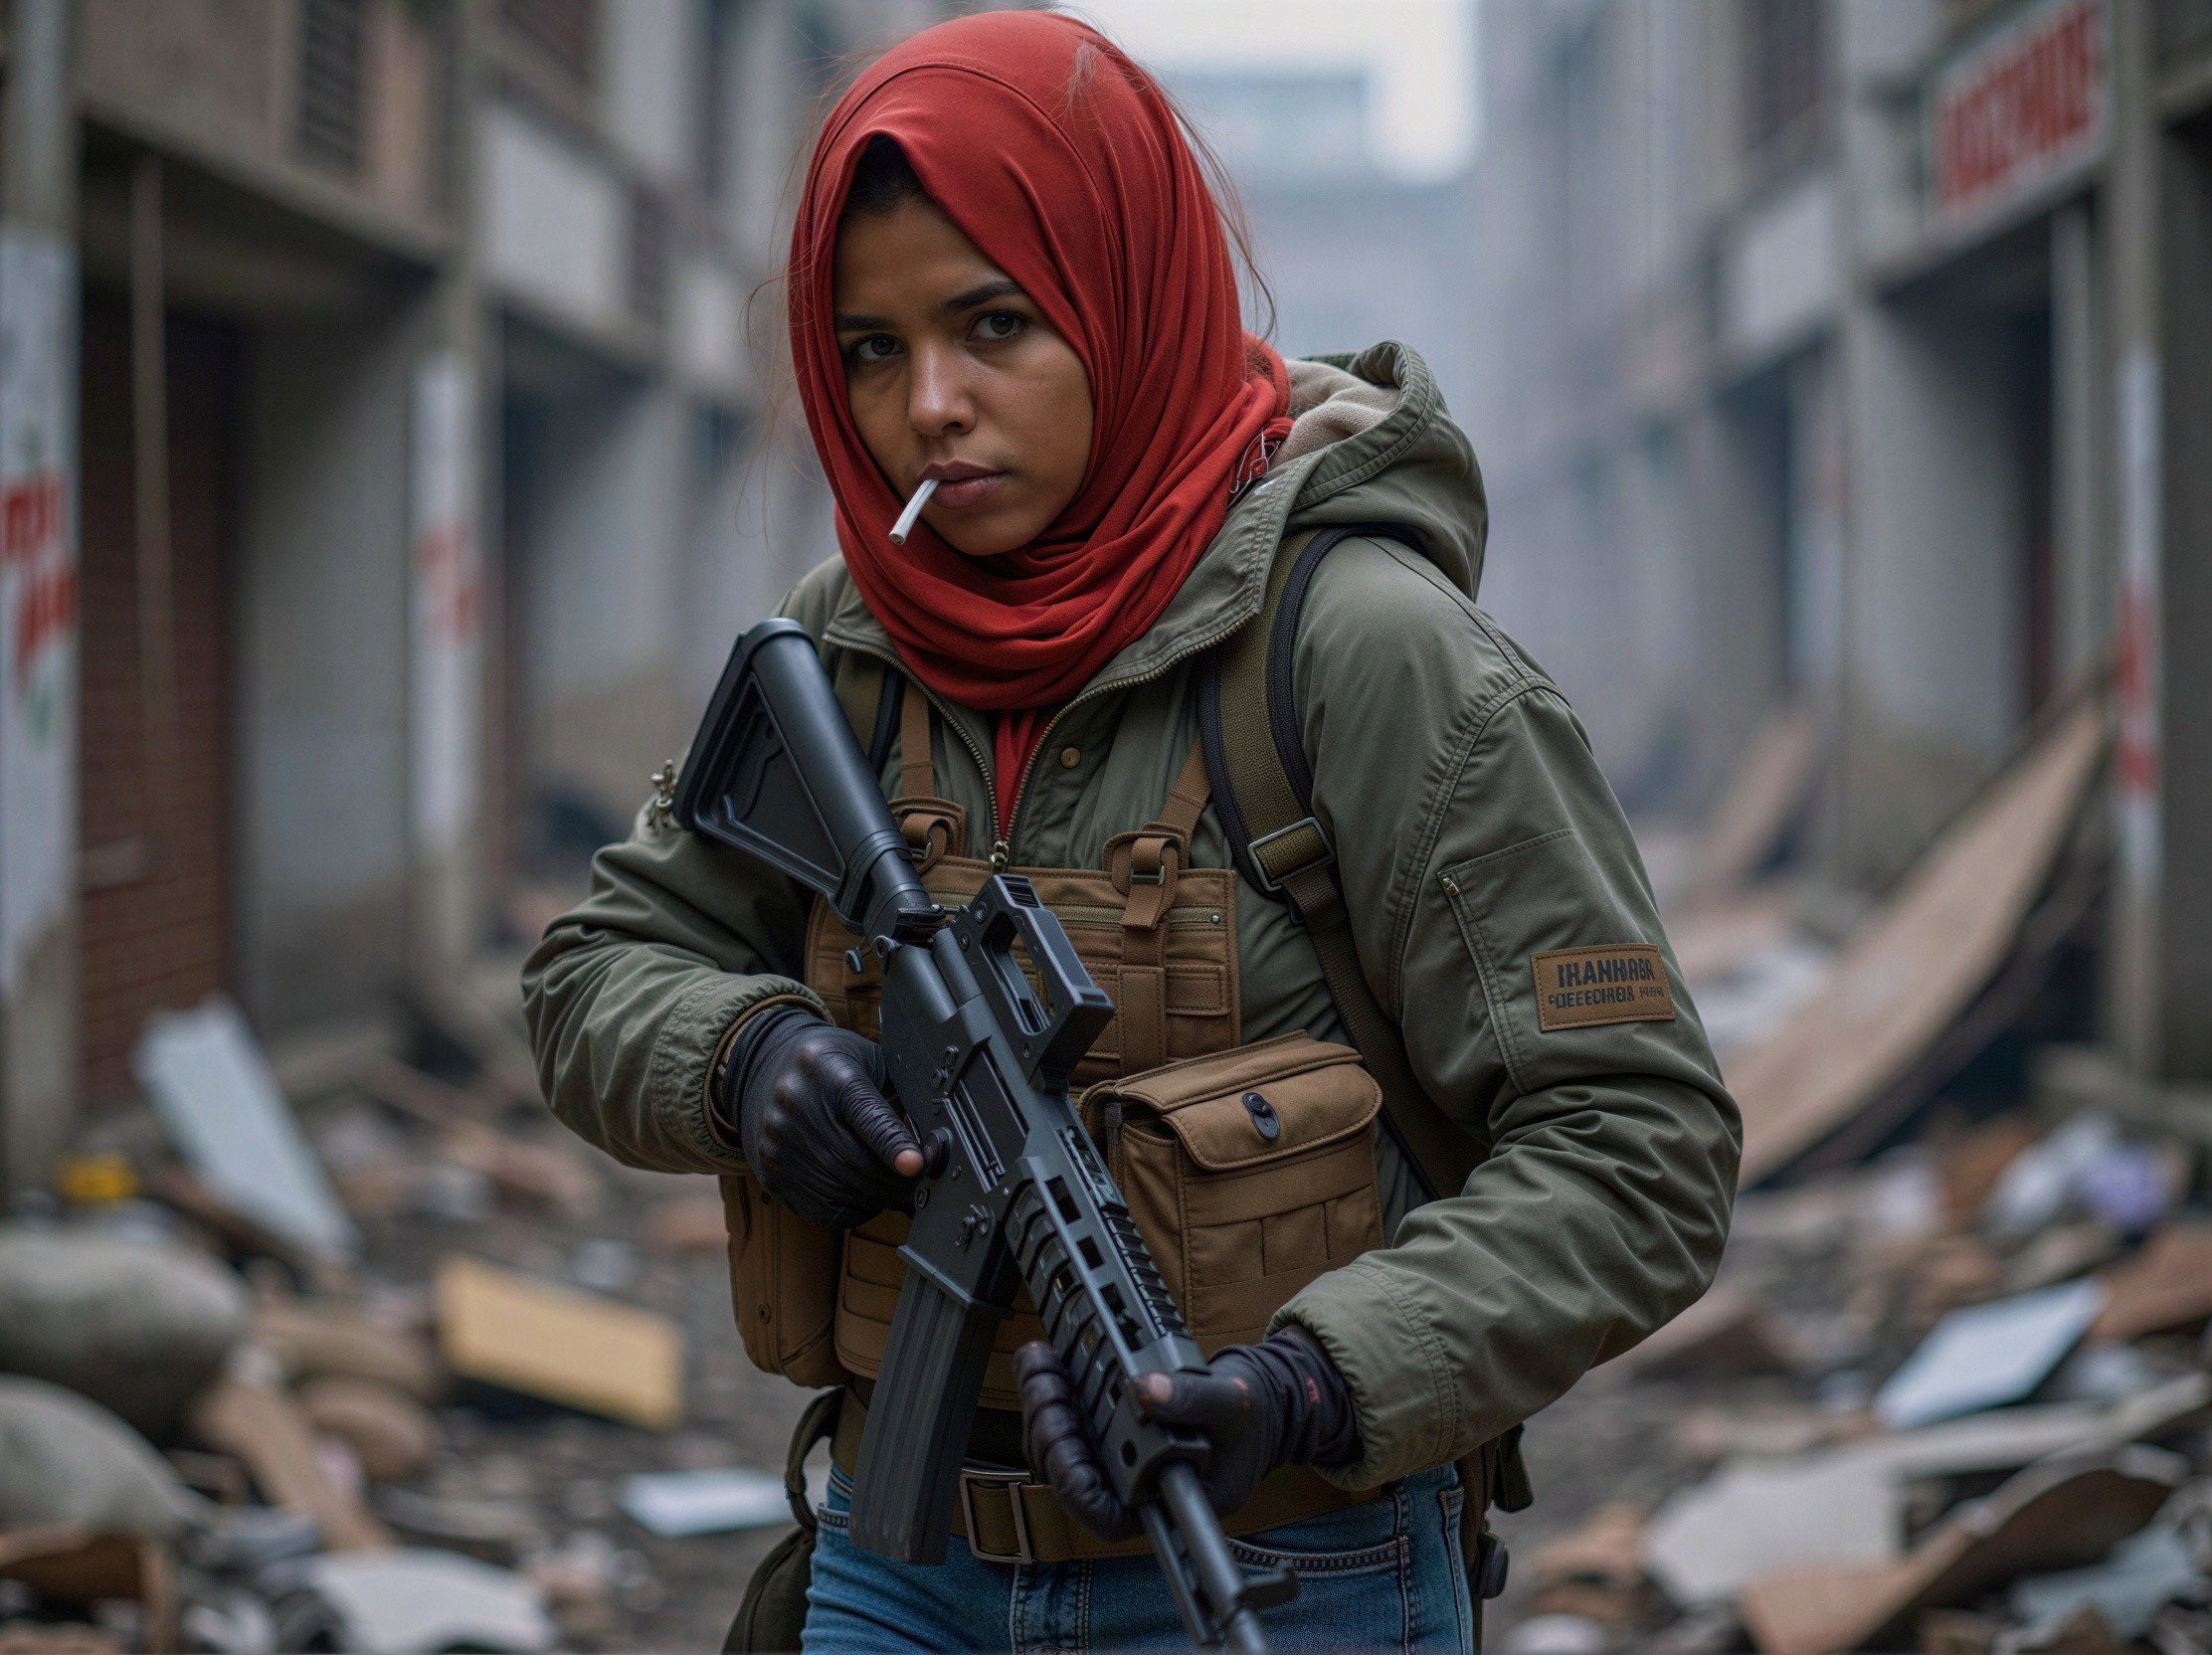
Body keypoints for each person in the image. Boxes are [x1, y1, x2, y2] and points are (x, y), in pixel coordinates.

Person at [523, 13, 1739, 1653]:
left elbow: (1638, 1143)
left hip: (1295, 1567)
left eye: (994, 325)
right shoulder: (849, 649)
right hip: (896, 1558)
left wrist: (1311, 1381)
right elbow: (596, 968)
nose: (927, 407)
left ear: (1128, 300)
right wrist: (743, 1057)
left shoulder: (1366, 654)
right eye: (869, 348)